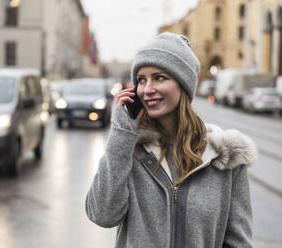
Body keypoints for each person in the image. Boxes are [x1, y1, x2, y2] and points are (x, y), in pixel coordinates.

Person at [85, 32, 257, 248]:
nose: (147, 89)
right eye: (141, 80)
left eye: (159, 77)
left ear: (183, 84)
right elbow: (102, 214)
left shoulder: (226, 156)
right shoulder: (130, 151)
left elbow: (238, 242)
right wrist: (121, 132)